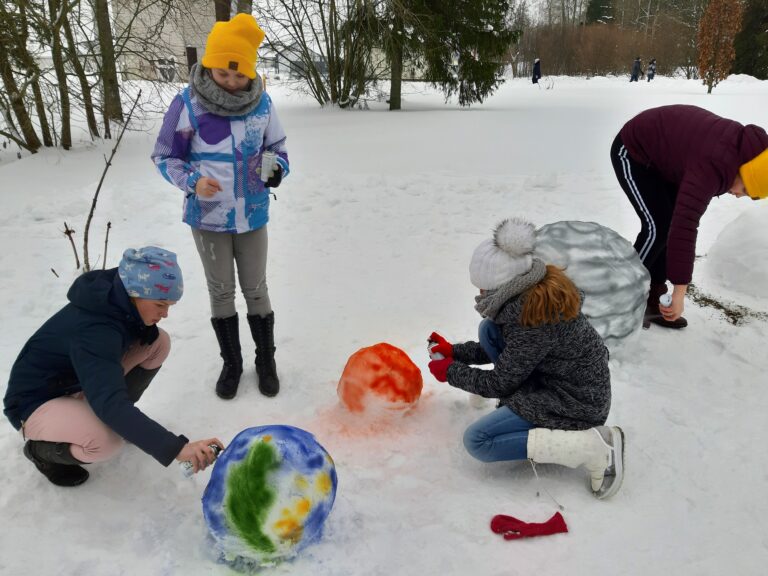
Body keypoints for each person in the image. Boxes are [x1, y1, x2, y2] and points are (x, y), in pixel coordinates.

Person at [427, 218, 624, 500]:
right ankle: (521, 412)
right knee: (489, 329)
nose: (479, 295)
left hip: (574, 404)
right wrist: (455, 352)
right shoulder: (528, 299)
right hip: (555, 381)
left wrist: (451, 372)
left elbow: (500, 383)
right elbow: (515, 353)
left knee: (478, 441)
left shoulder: (534, 321)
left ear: (504, 287)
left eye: (483, 289)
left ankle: (590, 447)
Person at [3, 247, 224, 487]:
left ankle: (120, 421)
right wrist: (177, 449)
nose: (165, 313)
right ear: (135, 293)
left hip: (76, 380)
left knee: (158, 343)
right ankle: (39, 452)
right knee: (106, 442)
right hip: (34, 402)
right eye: (160, 304)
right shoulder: (96, 330)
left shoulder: (119, 298)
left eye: (169, 305)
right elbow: (109, 402)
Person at [152, 14, 289, 400]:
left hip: (252, 214)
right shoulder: (188, 104)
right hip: (208, 217)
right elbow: (165, 155)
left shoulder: (262, 104)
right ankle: (232, 363)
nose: (230, 81)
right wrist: (192, 181)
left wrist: (276, 169)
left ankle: (266, 361)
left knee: (256, 288)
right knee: (221, 291)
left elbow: (277, 148)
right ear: (209, 66)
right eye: (222, 73)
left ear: (251, 72)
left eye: (239, 74)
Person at [611, 105, 768, 329]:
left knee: (667, 223)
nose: (737, 195)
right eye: (744, 190)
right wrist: (680, 291)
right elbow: (684, 227)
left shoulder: (747, 153)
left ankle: (652, 297)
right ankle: (618, 298)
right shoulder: (714, 165)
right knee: (658, 227)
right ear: (745, 171)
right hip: (633, 149)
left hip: (668, 161)